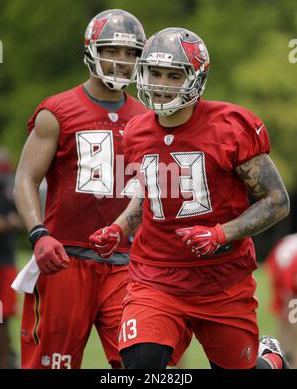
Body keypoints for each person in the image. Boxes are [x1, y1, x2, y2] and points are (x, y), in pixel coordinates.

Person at [89, 27, 291, 369]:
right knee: (139, 366)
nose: (161, 83)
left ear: (196, 78)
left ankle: (268, 360)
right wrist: (119, 228)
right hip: (156, 277)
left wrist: (220, 233)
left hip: (221, 280)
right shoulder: (137, 131)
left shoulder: (230, 126)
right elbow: (147, 198)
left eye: (173, 75)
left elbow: (277, 201)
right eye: (154, 73)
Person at [13, 9, 147, 369]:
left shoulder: (147, 118)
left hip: (126, 262)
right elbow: (26, 178)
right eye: (113, 50)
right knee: (51, 365)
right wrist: (38, 234)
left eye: (131, 53)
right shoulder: (57, 111)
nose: (122, 61)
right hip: (64, 260)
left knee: (143, 364)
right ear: (92, 51)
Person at [0, 148, 21, 369]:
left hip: (5, 263)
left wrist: (12, 221)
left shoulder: (9, 187)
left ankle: (6, 361)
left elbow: (20, 216)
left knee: (1, 318)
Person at [264, 233, 297, 368]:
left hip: (282, 264)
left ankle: (284, 355)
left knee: (288, 316)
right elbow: (290, 286)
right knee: (291, 316)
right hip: (281, 271)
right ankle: (288, 358)